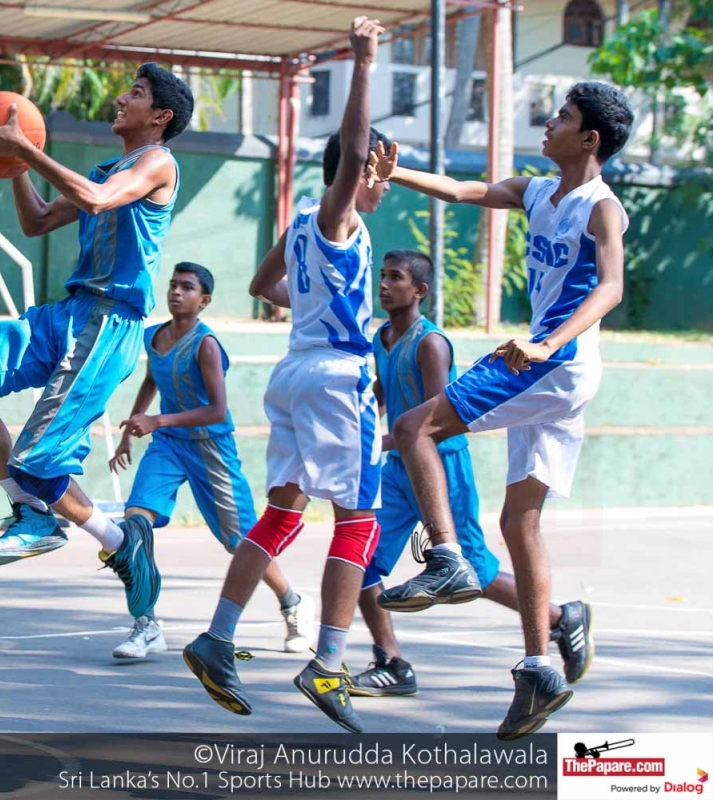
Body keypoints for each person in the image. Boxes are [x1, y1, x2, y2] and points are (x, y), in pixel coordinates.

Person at [366, 81, 633, 739]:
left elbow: (611, 287)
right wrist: (395, 172)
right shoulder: (538, 191)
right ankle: (541, 665)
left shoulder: (602, 207)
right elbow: (464, 190)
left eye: (563, 116)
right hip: (555, 368)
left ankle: (447, 556)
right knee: (521, 521)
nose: (549, 122)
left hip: (553, 360)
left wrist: (547, 342)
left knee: (412, 426)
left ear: (590, 139)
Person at [181, 17, 389, 733]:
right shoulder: (337, 215)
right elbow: (352, 149)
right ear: (360, 171)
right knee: (360, 520)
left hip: (295, 371)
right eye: (379, 170)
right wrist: (364, 62)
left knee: (281, 514)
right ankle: (328, 662)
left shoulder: (303, 222)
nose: (382, 180)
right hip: (336, 377)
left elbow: (261, 285)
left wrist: (314, 303)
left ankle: (217, 638)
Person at [0, 64, 194, 620]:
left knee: (38, 458)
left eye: (135, 93)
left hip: (109, 324)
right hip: (70, 312)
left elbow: (99, 200)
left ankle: (104, 536)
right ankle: (46, 517)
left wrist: (27, 150)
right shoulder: (108, 169)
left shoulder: (158, 163)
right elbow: (36, 221)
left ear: (161, 116)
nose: (121, 98)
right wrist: (16, 163)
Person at [348, 250, 593, 700]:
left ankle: (560, 618)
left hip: (441, 465)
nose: (383, 285)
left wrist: (380, 442)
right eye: (382, 276)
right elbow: (384, 392)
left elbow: (436, 418)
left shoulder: (431, 344)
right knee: (360, 560)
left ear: (419, 291)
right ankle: (391, 662)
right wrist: (360, 425)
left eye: (395, 278)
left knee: (475, 573)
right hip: (398, 469)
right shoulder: (382, 337)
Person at [108, 262, 311, 659]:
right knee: (135, 525)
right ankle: (146, 624)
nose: (176, 292)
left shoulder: (207, 345)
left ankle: (292, 603)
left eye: (187, 287)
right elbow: (151, 380)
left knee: (242, 541)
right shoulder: (154, 337)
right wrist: (131, 430)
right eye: (173, 285)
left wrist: (156, 420)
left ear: (204, 301)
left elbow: (217, 410)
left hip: (211, 448)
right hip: (168, 445)